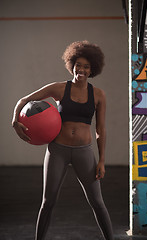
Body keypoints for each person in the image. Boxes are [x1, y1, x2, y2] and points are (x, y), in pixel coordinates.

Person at [12, 41, 114, 240]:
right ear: (72, 65)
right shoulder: (58, 89)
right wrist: (15, 120)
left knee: (97, 202)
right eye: (78, 65)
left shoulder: (99, 95)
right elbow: (23, 100)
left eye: (86, 66)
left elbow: (100, 129)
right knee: (48, 202)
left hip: (84, 152)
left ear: (92, 69)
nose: (81, 69)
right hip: (57, 150)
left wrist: (101, 160)